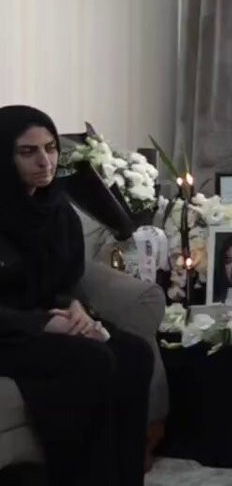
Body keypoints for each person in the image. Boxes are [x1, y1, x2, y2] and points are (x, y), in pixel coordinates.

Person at [0, 105, 154, 486]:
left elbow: (67, 277)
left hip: (47, 317)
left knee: (135, 353)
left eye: (51, 148)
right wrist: (41, 323)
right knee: (90, 361)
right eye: (28, 152)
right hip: (8, 331)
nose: (45, 161)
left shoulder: (56, 208)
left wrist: (76, 308)